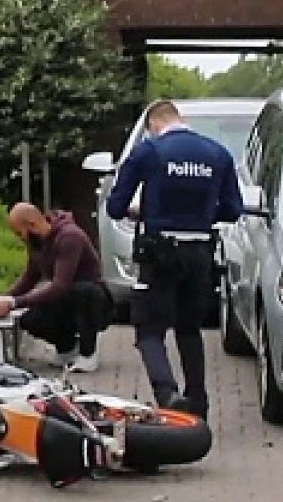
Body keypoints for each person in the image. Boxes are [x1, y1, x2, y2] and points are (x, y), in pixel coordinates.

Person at [104, 98, 243, 419]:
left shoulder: (148, 151)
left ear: (154, 125)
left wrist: (146, 212)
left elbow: (115, 207)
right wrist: (203, 215)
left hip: (160, 252)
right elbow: (233, 211)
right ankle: (199, 402)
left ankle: (167, 393)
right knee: (190, 329)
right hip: (200, 253)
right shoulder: (218, 153)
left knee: (149, 330)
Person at [0, 203, 110, 373]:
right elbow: (30, 278)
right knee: (29, 319)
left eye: (18, 232)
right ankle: (67, 348)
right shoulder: (37, 242)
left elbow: (60, 286)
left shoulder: (70, 237)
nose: (19, 237)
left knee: (83, 291)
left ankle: (89, 353)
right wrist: (1, 300)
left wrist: (14, 302)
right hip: (65, 300)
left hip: (93, 302)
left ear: (32, 225)